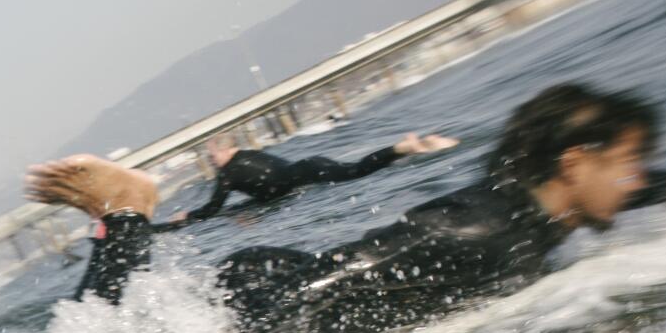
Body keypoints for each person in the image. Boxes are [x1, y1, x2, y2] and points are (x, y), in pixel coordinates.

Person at [25, 84, 666, 333]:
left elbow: (636, 193)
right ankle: (126, 211)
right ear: (573, 163)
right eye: (630, 161)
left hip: (274, 277)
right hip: (269, 297)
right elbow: (334, 284)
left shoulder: (528, 208)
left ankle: (124, 216)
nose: (637, 177)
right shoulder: (489, 229)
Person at [159, 130, 461, 228]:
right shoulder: (247, 154)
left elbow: (212, 209)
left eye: (211, 154)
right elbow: (264, 190)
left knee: (357, 172)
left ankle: (403, 148)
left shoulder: (228, 173)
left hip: (308, 174)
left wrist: (184, 216)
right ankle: (412, 148)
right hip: (308, 167)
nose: (210, 159)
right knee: (356, 169)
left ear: (223, 152)